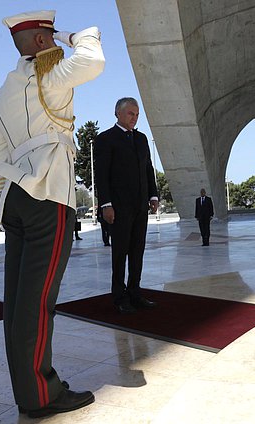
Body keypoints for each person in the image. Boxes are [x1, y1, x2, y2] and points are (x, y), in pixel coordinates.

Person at [0, 10, 104, 418]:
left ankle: (28, 391)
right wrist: (71, 35)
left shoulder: (2, 92)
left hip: (16, 197)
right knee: (38, 304)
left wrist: (3, 203)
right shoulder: (48, 77)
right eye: (50, 37)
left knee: (18, 304)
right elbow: (93, 55)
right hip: (47, 194)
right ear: (41, 42)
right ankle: (42, 395)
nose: (55, 42)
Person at [94, 97, 159, 314]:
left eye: (137, 114)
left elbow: (148, 169)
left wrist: (153, 196)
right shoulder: (106, 139)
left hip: (140, 206)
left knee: (137, 251)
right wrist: (106, 205)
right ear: (118, 114)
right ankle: (119, 296)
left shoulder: (141, 139)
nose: (135, 117)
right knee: (120, 252)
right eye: (131, 113)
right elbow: (102, 176)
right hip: (119, 208)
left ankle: (135, 292)